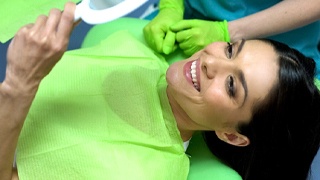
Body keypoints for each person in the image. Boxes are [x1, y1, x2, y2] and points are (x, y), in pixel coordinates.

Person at [0, 2, 320, 180]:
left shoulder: (145, 173)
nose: (212, 63)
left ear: (232, 136)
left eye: (232, 85)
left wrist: (19, 85)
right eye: (230, 50)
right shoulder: (136, 50)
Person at [143, 0, 320, 79]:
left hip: (286, 37)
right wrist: (171, 6)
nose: (209, 64)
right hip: (187, 14)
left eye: (231, 85)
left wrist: (230, 32)